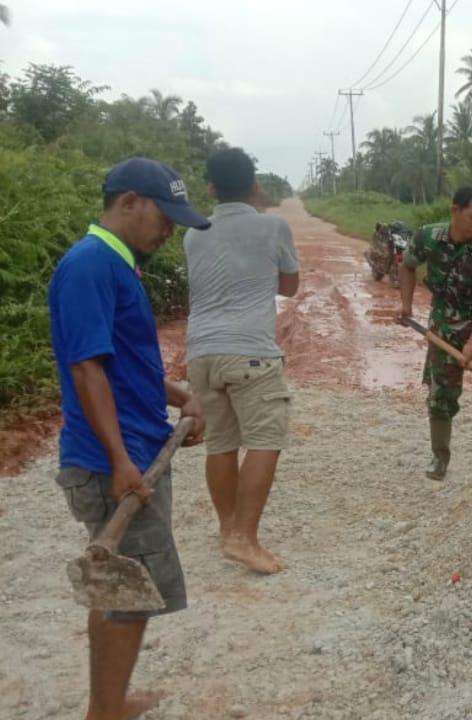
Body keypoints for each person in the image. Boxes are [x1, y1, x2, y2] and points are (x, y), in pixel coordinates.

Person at [49, 157, 209, 720]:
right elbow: (86, 368)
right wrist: (120, 462)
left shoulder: (119, 265)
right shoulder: (92, 265)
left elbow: (122, 363)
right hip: (116, 464)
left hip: (137, 450)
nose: (169, 230)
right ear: (129, 203)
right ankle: (106, 713)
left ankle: (107, 701)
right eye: (164, 217)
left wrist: (177, 396)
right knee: (129, 597)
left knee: (115, 586)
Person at [183, 147, 299, 574]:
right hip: (250, 351)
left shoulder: (193, 233)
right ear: (254, 184)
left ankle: (228, 528)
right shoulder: (273, 226)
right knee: (266, 440)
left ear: (210, 188)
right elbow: (290, 287)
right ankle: (245, 539)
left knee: (221, 443)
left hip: (201, 354)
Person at [397, 186, 472, 481]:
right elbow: (407, 265)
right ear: (455, 211)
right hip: (444, 324)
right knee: (440, 395)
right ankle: (440, 458)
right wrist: (406, 305)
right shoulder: (428, 237)